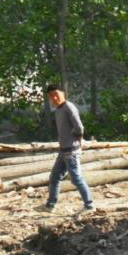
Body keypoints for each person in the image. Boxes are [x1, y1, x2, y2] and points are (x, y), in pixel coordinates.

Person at [45, 84, 95, 213]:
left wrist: (79, 140)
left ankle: (89, 205)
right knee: (55, 177)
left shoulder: (68, 107)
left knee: (76, 178)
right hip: (64, 150)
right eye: (51, 96)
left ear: (63, 93)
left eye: (56, 94)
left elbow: (79, 127)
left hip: (71, 150)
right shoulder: (58, 110)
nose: (54, 97)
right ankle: (50, 204)